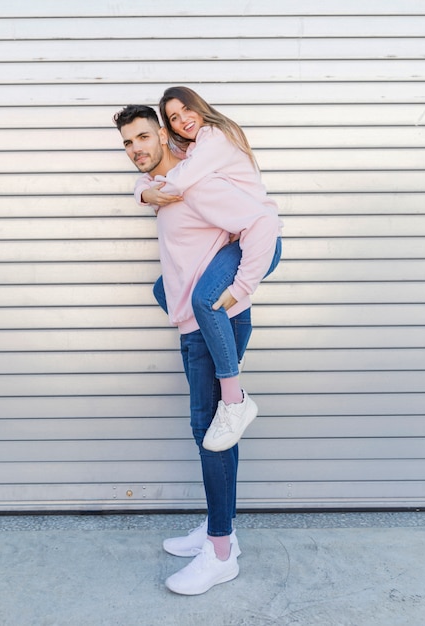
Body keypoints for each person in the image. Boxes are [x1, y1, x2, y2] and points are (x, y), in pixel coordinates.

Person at [114, 102, 280, 595]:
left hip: (217, 321)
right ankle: (216, 526)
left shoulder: (198, 185)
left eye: (143, 137)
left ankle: (221, 551)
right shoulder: (164, 192)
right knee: (208, 430)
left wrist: (242, 287)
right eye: (127, 143)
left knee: (213, 433)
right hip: (193, 323)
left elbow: (262, 225)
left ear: (164, 137)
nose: (136, 149)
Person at [135, 86, 282, 453]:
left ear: (200, 108)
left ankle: (235, 401)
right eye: (173, 117)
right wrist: (142, 190)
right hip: (239, 240)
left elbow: (180, 180)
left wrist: (150, 193)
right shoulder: (193, 146)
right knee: (164, 289)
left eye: (186, 110)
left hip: (259, 242)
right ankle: (226, 349)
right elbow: (165, 167)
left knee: (205, 299)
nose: (183, 118)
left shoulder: (215, 136)